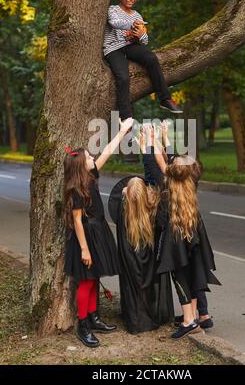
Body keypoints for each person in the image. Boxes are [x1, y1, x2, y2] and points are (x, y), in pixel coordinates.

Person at [144, 124, 220, 340]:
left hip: (176, 239)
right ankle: (194, 317)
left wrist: (151, 140)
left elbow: (157, 162)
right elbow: (168, 163)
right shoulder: (190, 181)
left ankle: (189, 320)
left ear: (171, 172)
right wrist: (164, 137)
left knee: (180, 277)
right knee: (194, 273)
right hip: (194, 233)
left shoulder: (167, 187)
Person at [64, 118, 133, 347]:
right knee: (85, 281)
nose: (94, 159)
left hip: (99, 230)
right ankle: (83, 325)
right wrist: (84, 249)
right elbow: (76, 221)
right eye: (90, 158)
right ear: (80, 164)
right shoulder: (75, 189)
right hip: (86, 237)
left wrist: (122, 131)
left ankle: (94, 317)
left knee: (95, 278)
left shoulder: (91, 176)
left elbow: (108, 151)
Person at [103, 0, 183, 120]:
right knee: (123, 77)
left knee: (151, 58)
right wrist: (132, 25)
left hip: (130, 46)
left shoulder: (137, 15)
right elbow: (114, 23)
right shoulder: (113, 10)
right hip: (113, 48)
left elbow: (144, 41)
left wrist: (140, 34)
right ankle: (126, 117)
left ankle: (165, 99)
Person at [108, 173, 174, 334]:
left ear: (127, 194)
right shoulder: (152, 208)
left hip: (129, 257)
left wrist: (125, 193)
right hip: (148, 257)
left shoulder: (123, 210)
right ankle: (149, 316)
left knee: (132, 288)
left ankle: (134, 320)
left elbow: (121, 201)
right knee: (147, 287)